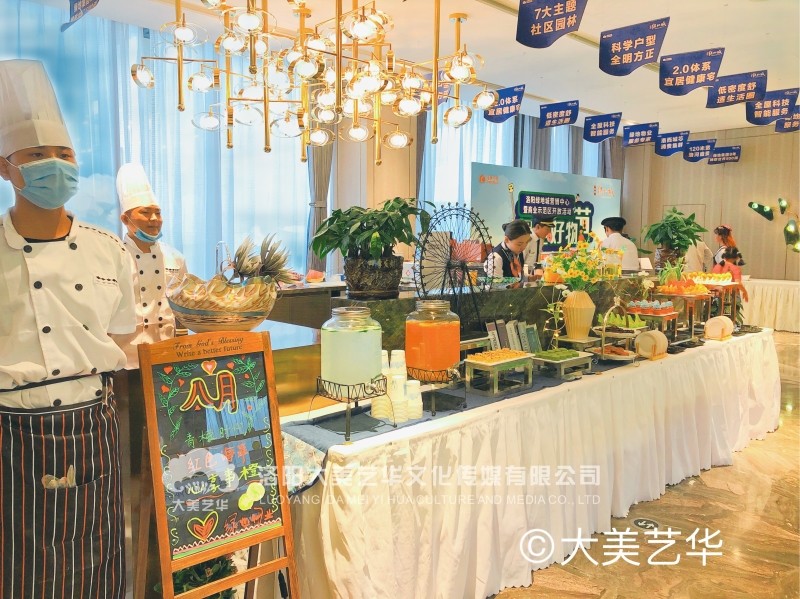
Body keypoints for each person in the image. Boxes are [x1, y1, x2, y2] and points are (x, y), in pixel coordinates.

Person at [0, 59, 135, 598]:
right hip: (12, 432)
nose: (54, 166)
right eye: (36, 156)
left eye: (64, 154)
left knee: (97, 559)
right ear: (6, 168)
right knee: (19, 569)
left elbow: (121, 336)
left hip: (92, 423)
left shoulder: (109, 250)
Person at [112, 162, 187, 369]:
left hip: (168, 355)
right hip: (126, 360)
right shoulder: (114, 257)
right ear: (125, 219)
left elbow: (183, 307)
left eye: (158, 213)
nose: (154, 219)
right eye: (145, 212)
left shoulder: (175, 258)